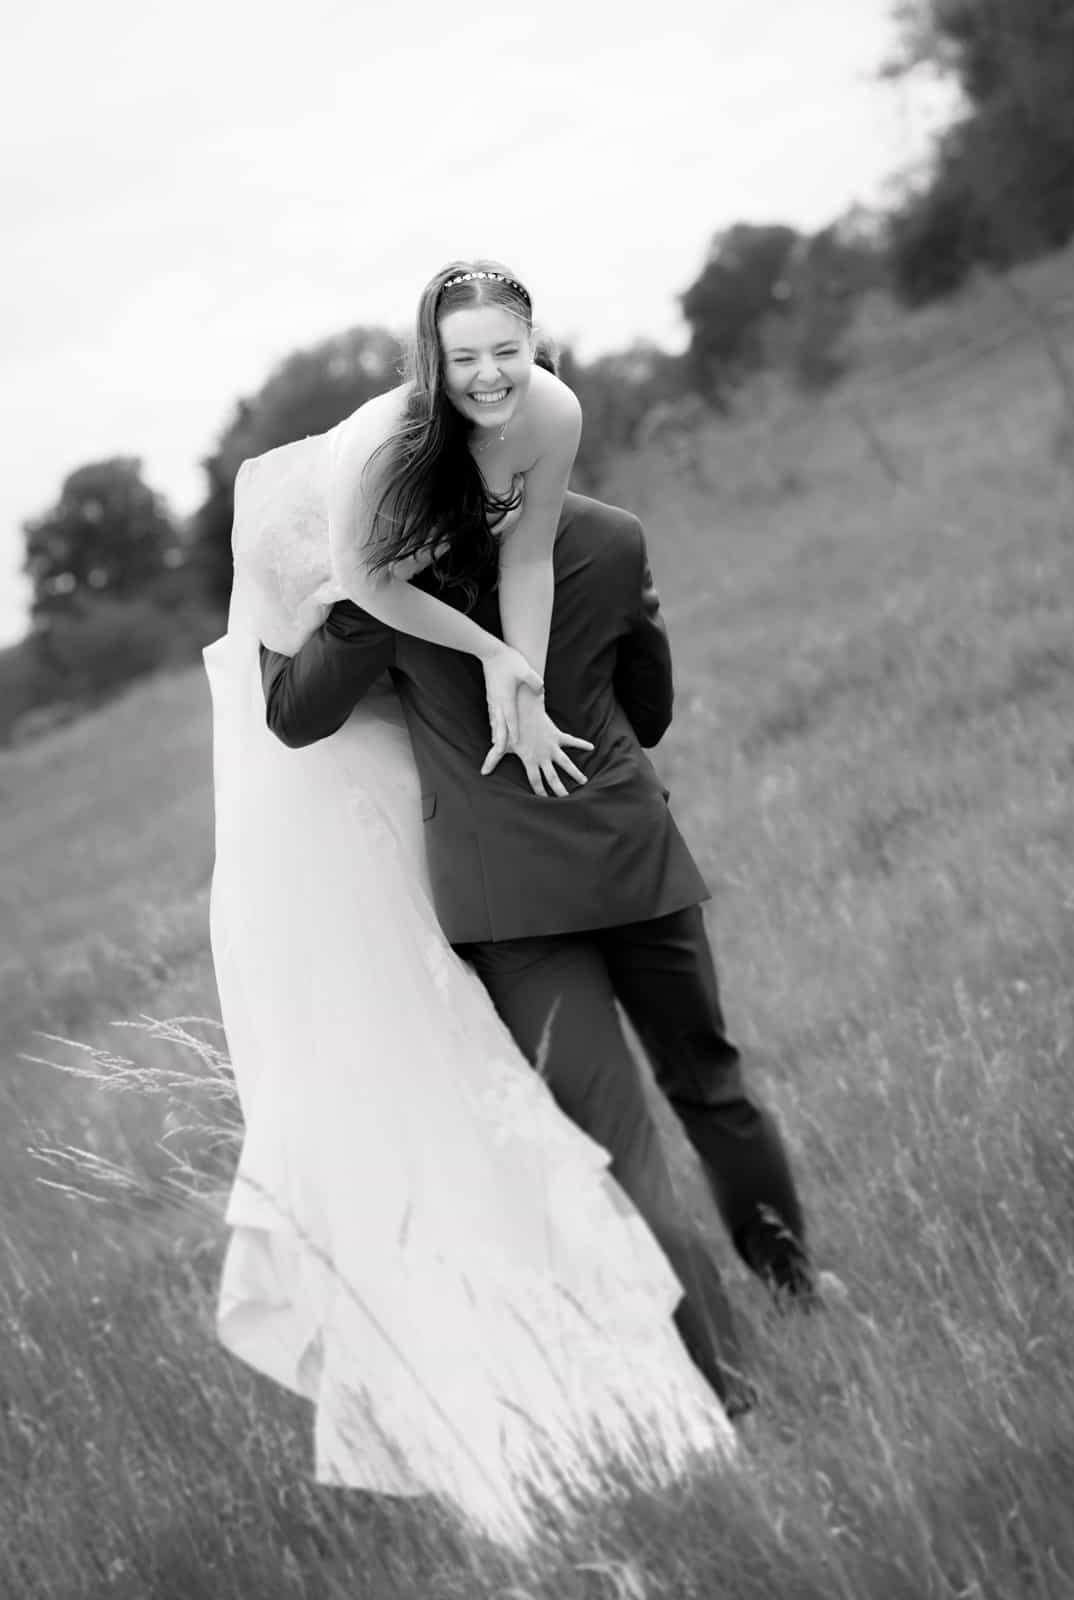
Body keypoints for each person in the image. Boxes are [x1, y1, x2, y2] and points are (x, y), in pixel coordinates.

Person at [205, 261, 740, 1549]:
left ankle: (703, 1368)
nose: (490, 378)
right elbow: (303, 705)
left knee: (569, 1140)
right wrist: (357, 606)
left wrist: (492, 662)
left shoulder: (507, 497)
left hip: (476, 878)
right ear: (429, 383)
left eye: (507, 352)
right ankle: (688, 1356)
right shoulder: (386, 571)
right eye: (464, 360)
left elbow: (300, 708)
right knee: (573, 1130)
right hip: (445, 877)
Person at [259, 265, 817, 1378]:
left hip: (510, 904)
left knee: (619, 1156)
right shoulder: (611, 539)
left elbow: (291, 716)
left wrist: (334, 616)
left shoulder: (374, 590)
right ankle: (799, 1288)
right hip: (627, 849)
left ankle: (730, 1384)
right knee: (713, 1083)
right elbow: (648, 709)